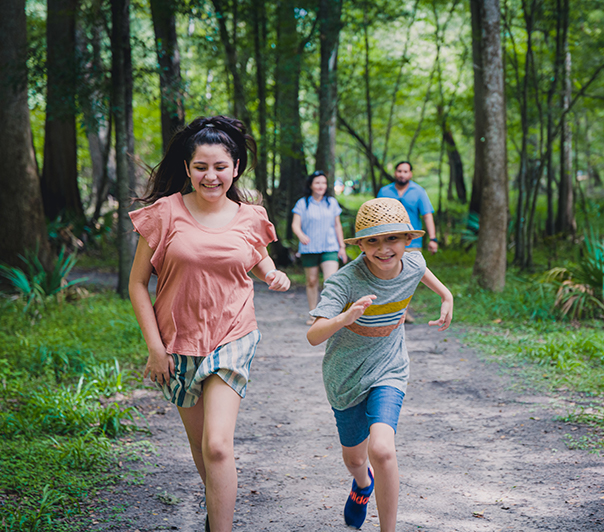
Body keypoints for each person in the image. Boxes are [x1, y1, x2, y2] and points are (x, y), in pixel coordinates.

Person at [128, 115, 290, 532]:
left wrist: (271, 274)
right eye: (201, 166)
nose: (210, 175)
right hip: (177, 343)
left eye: (220, 166)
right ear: (187, 169)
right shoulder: (164, 213)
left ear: (235, 168)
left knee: (217, 446)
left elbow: (256, 257)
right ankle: (216, 506)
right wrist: (155, 348)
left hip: (233, 336)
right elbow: (137, 285)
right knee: (202, 449)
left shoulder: (250, 216)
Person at [306, 198, 453, 532]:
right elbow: (314, 336)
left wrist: (447, 297)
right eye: (373, 240)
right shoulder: (345, 282)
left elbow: (424, 272)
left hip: (390, 368)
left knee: (383, 450)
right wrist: (345, 317)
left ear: (407, 240)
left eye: (392, 239)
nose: (384, 249)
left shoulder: (413, 262)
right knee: (356, 460)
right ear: (360, 245)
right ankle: (362, 484)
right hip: (345, 377)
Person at [291, 170, 348, 323]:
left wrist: (342, 246)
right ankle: (312, 314)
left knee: (330, 280)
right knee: (311, 281)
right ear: (311, 185)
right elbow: (295, 225)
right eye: (317, 182)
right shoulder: (303, 203)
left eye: (323, 183)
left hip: (330, 247)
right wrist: (301, 235)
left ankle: (328, 313)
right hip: (309, 248)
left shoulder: (332, 203)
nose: (321, 186)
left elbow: (337, 226)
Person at [377, 161, 438, 254]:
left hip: (412, 244)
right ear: (395, 173)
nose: (402, 174)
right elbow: (376, 216)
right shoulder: (384, 192)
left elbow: (427, 215)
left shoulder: (419, 191)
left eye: (405, 172)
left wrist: (433, 239)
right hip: (387, 242)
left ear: (410, 174)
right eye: (399, 171)